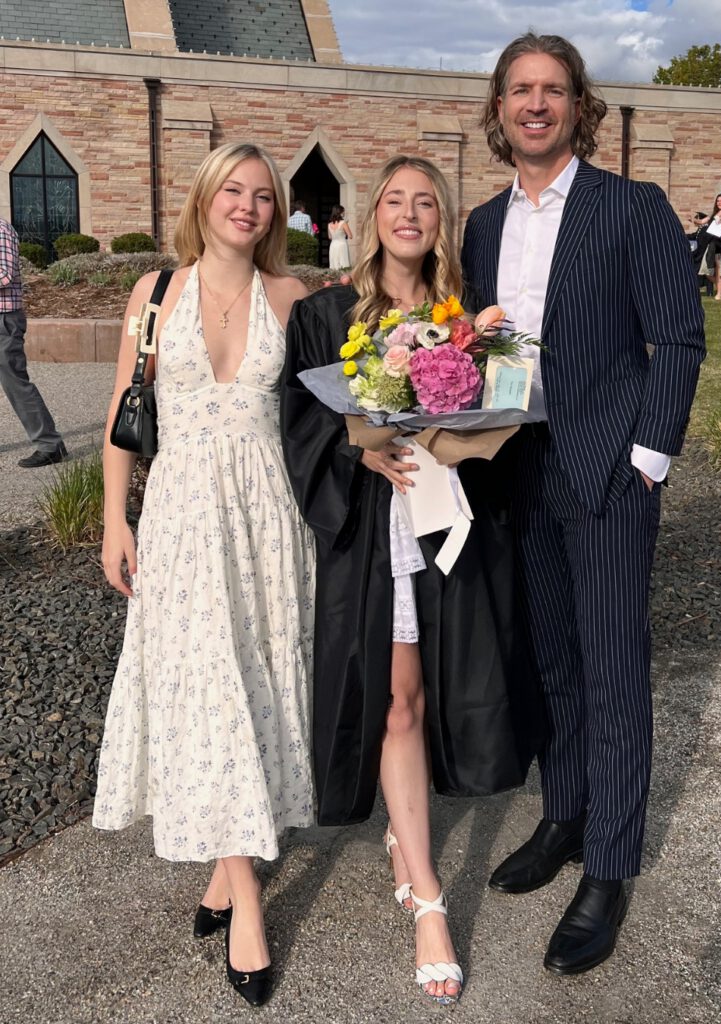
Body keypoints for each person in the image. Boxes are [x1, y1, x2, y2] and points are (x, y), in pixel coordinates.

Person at [462, 33, 705, 976]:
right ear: (499, 108)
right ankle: (564, 814)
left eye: (551, 90)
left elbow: (677, 341)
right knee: (550, 661)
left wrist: (647, 461)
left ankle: (608, 863)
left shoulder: (628, 207)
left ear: (577, 107)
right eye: (518, 90)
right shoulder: (483, 225)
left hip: (607, 472)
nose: (534, 105)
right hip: (516, 469)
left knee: (612, 672)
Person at [281, 154, 537, 1005]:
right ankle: (427, 896)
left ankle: (404, 834)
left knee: (432, 696)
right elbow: (303, 425)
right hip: (371, 529)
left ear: (442, 222)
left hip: (445, 524)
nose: (409, 213)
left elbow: (493, 421)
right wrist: (363, 447)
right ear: (370, 211)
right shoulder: (324, 316)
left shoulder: (461, 324)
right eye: (395, 198)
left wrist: (454, 435)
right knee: (395, 701)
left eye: (426, 202)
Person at [93, 142, 315, 1008]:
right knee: (207, 688)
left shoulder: (293, 299)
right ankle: (248, 897)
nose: (248, 206)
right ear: (204, 196)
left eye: (264, 196)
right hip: (183, 519)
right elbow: (123, 414)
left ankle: (225, 873)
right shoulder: (154, 294)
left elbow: (325, 418)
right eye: (234, 190)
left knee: (254, 684)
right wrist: (116, 518)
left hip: (268, 523)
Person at [0, 216, 68, 468]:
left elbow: (5, 275)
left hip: (3, 318)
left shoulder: (1, 229)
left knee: (14, 382)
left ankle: (50, 445)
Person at [327, 204, 352, 270]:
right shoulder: (343, 223)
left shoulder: (329, 224)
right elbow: (350, 236)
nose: (344, 213)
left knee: (334, 265)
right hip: (342, 244)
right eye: (343, 211)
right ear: (340, 212)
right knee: (343, 264)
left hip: (333, 245)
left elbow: (330, 237)